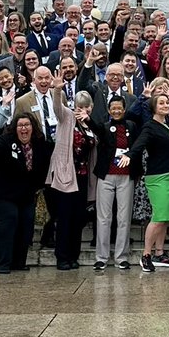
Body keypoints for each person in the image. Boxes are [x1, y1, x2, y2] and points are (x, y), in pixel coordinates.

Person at [116, 86, 169, 272]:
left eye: (167, 102)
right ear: (153, 107)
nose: (165, 105)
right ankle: (146, 255)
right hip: (158, 177)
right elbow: (139, 144)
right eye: (161, 103)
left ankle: (159, 253)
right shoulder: (149, 126)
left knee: (165, 218)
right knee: (157, 217)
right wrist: (129, 155)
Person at [0, 112, 53, 273]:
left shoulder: (39, 143)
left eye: (27, 125)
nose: (24, 129)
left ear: (33, 127)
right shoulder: (6, 141)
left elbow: (43, 166)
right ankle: (0, 263)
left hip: (24, 192)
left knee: (27, 220)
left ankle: (18, 262)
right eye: (20, 125)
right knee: (10, 217)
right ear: (15, 128)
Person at [44, 84, 97, 270]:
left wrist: (89, 120)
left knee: (78, 218)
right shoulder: (67, 117)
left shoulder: (91, 124)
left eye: (87, 106)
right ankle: (62, 257)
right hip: (65, 175)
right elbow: (57, 106)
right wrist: (57, 90)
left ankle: (74, 255)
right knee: (64, 217)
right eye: (80, 106)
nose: (84, 109)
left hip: (83, 177)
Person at [87, 94, 139, 270]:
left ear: (124, 110)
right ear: (109, 111)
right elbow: (95, 128)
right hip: (106, 175)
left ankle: (121, 257)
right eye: (113, 108)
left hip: (126, 176)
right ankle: (101, 257)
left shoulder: (132, 126)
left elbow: (136, 148)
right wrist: (87, 119)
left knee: (123, 218)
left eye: (120, 108)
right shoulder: (104, 127)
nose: (116, 110)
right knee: (103, 217)